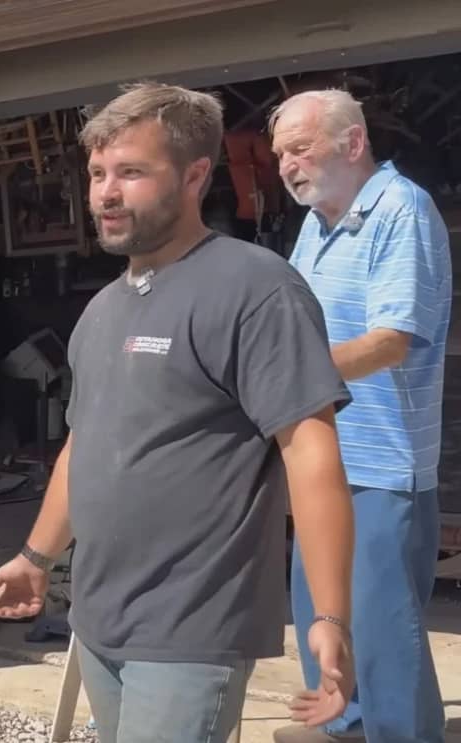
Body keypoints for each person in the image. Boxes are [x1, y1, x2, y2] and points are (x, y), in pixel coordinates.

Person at [0, 82, 358, 743]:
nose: (105, 191)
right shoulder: (101, 311)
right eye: (98, 172)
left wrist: (329, 615)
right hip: (99, 619)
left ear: (194, 175)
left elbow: (309, 448)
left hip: (192, 626)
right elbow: (84, 446)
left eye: (130, 171)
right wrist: (36, 557)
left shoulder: (255, 288)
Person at [269, 89, 452, 743]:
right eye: (279, 154)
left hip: (382, 465)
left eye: (299, 147)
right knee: (324, 612)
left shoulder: (401, 210)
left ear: (352, 143)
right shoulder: (318, 221)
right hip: (320, 457)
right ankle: (346, 724)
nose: (287, 164)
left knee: (383, 633)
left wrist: (291, 372)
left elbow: (391, 340)